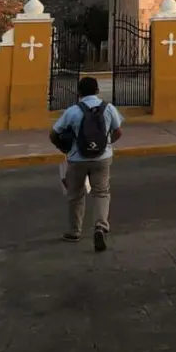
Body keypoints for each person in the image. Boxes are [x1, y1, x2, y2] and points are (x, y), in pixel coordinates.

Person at [49, 76, 123, 252]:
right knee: (101, 193)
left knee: (75, 195)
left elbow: (53, 133)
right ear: (97, 90)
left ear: (79, 93)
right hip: (102, 158)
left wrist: (65, 150)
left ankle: (74, 231)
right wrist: (107, 144)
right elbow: (118, 131)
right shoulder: (108, 108)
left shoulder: (72, 111)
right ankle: (100, 227)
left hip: (77, 159)